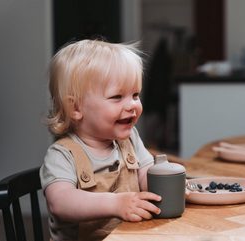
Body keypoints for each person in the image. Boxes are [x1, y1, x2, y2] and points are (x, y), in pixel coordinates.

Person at [40, 39, 162, 241]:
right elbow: (60, 202)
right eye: (117, 97)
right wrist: (116, 204)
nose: (132, 105)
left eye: (135, 95)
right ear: (76, 108)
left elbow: (146, 174)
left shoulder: (130, 139)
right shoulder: (62, 155)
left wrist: (165, 185)